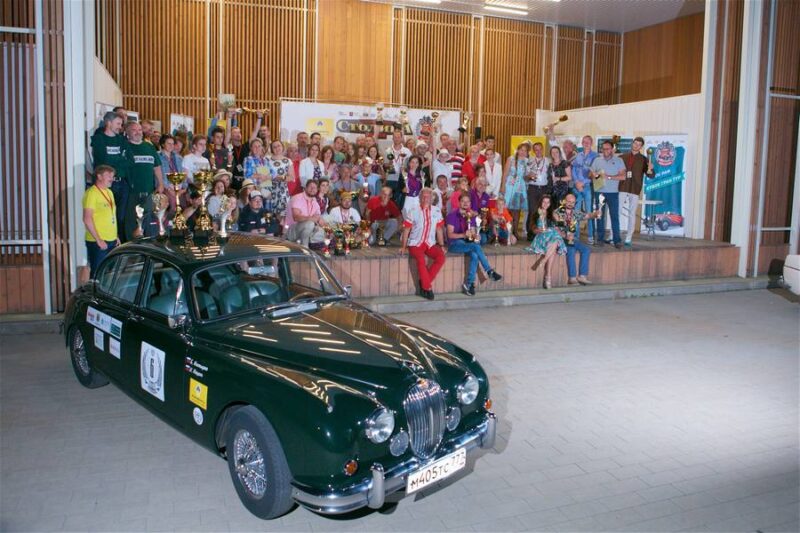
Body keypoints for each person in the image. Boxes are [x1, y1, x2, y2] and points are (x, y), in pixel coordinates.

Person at [447, 192, 502, 296]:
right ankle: (489, 271)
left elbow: (472, 232)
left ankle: (469, 284)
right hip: (454, 244)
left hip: (467, 243)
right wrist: (463, 235)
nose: (465, 203)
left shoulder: (471, 216)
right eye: (463, 201)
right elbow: (450, 235)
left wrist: (476, 236)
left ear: (470, 204)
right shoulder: (452, 215)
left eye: (467, 202)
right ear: (459, 203)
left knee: (475, 254)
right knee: (475, 246)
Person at [400, 188, 446, 301]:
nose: (426, 199)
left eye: (428, 197)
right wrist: (403, 247)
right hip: (415, 243)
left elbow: (439, 229)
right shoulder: (413, 210)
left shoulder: (436, 211)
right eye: (424, 196)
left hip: (430, 243)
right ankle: (427, 288)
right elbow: (406, 230)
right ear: (420, 198)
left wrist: (441, 245)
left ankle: (424, 282)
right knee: (421, 259)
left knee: (441, 257)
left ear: (432, 198)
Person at [91, 112, 129, 240]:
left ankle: (120, 244)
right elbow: (103, 161)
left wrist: (115, 161)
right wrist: (120, 159)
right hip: (106, 184)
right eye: (118, 124)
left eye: (121, 124)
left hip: (122, 183)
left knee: (121, 218)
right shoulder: (98, 139)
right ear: (108, 123)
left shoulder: (122, 140)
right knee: (107, 216)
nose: (120, 127)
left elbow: (129, 160)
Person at [124, 121, 163, 241]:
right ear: (127, 132)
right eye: (134, 130)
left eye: (140, 130)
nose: (138, 132)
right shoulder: (125, 147)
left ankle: (148, 246)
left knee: (148, 222)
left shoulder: (149, 147)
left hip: (149, 192)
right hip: (131, 192)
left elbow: (157, 167)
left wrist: (160, 184)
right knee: (132, 223)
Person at [555, 192, 600, 285]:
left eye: (573, 202)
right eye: (568, 201)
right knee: (571, 250)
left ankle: (582, 276)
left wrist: (595, 214)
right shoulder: (558, 212)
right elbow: (557, 230)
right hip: (559, 239)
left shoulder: (575, 213)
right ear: (563, 201)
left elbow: (587, 216)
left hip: (572, 239)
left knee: (586, 250)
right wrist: (566, 236)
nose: (571, 204)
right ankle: (572, 278)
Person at [83, 165, 120, 277]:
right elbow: (87, 218)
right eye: (108, 175)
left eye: (112, 176)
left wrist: (116, 236)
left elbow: (111, 216)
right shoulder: (92, 193)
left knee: (109, 275)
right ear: (99, 176)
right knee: (98, 275)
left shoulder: (109, 192)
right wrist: (98, 240)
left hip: (111, 240)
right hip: (98, 241)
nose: (111, 179)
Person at [590, 139, 626, 248]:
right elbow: (590, 174)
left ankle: (617, 240)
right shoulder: (597, 160)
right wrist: (594, 175)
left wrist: (608, 177)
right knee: (599, 216)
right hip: (599, 192)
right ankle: (600, 240)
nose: (605, 150)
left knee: (614, 217)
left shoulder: (619, 160)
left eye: (608, 148)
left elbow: (623, 176)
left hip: (613, 193)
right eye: (604, 148)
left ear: (612, 149)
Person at [619, 136, 655, 247]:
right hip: (622, 187)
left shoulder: (644, 159)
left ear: (641, 147)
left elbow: (651, 175)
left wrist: (651, 168)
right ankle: (613, 235)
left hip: (635, 188)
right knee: (617, 212)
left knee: (632, 214)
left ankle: (628, 238)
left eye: (639, 145)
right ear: (632, 143)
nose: (636, 146)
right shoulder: (622, 157)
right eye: (635, 143)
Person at [528, 195, 566, 289]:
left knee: (555, 238)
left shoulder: (552, 213)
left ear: (550, 204)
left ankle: (546, 270)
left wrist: (559, 220)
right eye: (544, 202)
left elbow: (561, 225)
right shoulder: (535, 213)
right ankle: (548, 276)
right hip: (541, 237)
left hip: (552, 237)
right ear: (540, 202)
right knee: (555, 243)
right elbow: (532, 228)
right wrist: (537, 230)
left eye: (548, 202)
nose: (546, 204)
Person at [572, 135, 598, 243]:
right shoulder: (578, 155)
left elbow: (596, 173)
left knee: (589, 212)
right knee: (576, 212)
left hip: (588, 187)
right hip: (577, 187)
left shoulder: (595, 156)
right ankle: (576, 236)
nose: (586, 143)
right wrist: (576, 182)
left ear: (591, 143)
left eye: (588, 142)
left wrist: (584, 182)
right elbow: (573, 169)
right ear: (582, 143)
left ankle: (590, 236)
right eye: (584, 141)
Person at [501, 143, 529, 241]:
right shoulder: (511, 159)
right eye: (521, 149)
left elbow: (526, 176)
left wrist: (530, 176)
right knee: (508, 209)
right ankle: (507, 231)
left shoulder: (527, 161)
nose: (523, 152)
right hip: (510, 186)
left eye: (525, 150)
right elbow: (505, 173)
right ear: (518, 150)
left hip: (520, 187)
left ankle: (515, 231)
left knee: (517, 211)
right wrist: (503, 186)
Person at [285, 180, 325, 246]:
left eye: (315, 188)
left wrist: (320, 220)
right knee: (310, 224)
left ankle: (311, 245)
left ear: (317, 190)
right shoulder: (297, 198)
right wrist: (311, 218)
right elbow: (296, 217)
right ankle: (304, 247)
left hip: (303, 229)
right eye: (310, 187)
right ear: (305, 188)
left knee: (321, 230)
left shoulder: (314, 201)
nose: (312, 189)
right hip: (291, 230)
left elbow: (318, 216)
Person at [525, 142, 549, 241]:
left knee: (543, 211)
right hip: (533, 188)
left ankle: (542, 232)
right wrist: (529, 176)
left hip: (544, 188)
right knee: (532, 211)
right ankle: (530, 233)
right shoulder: (530, 161)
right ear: (533, 151)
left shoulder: (548, 160)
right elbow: (525, 177)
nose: (538, 151)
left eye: (540, 149)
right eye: (536, 150)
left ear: (543, 149)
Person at [268, 140, 294, 225]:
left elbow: (292, 177)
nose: (277, 148)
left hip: (283, 191)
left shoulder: (288, 161)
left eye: (279, 146)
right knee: (269, 215)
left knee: (283, 215)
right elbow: (263, 177)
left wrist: (282, 178)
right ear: (271, 149)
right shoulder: (266, 160)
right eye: (274, 147)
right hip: (270, 190)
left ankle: (281, 231)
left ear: (282, 147)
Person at [158, 134, 183, 210]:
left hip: (178, 185)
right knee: (172, 201)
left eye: (172, 144)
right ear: (163, 144)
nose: (171, 146)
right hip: (165, 186)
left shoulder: (178, 157)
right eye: (168, 143)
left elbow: (182, 172)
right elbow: (159, 175)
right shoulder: (158, 156)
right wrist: (169, 188)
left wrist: (182, 188)